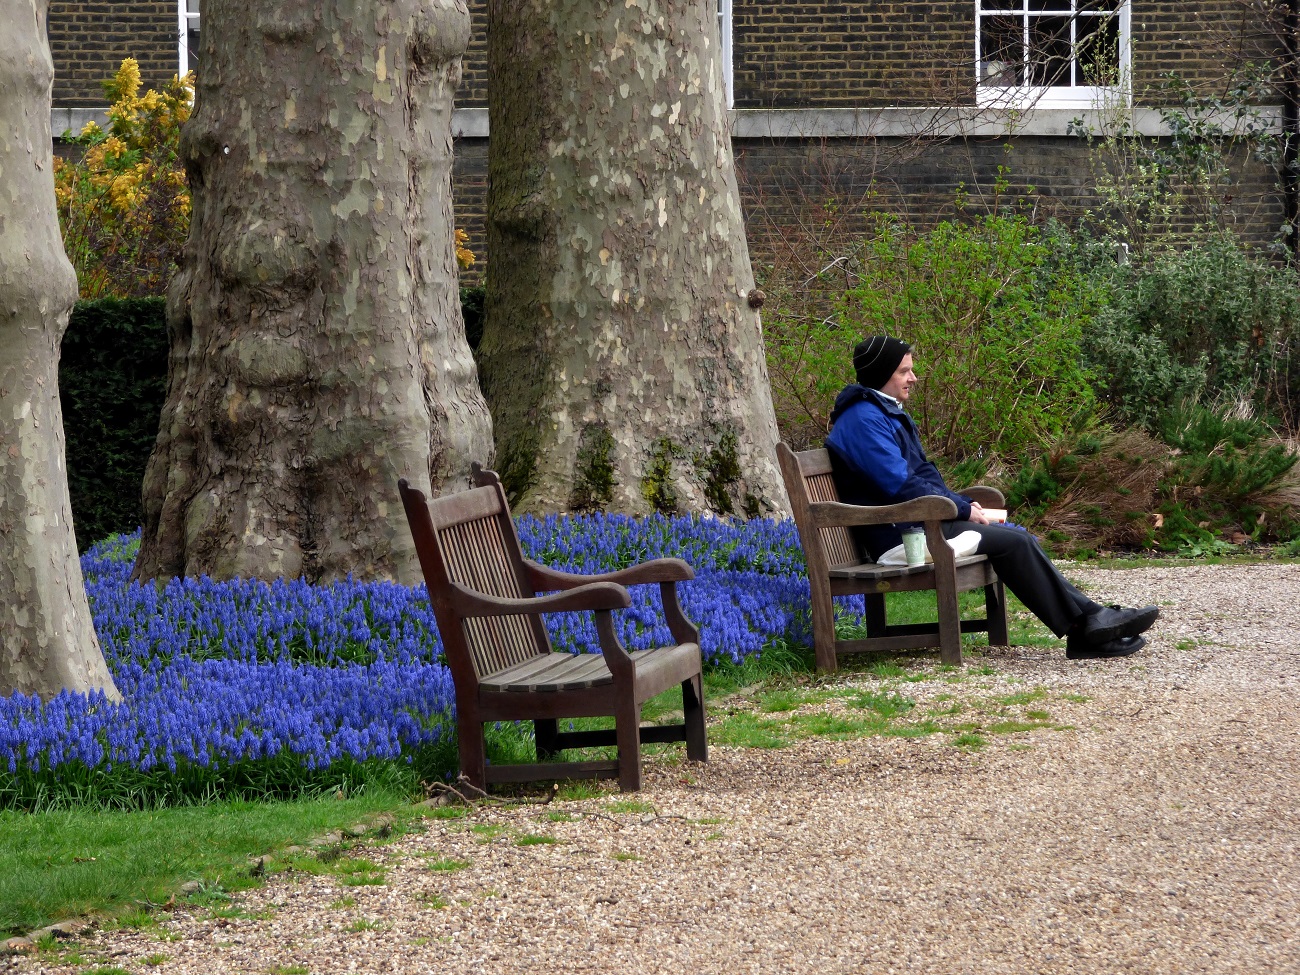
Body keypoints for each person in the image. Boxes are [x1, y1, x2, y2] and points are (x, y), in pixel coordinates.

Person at [825, 335, 1158, 660]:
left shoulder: (882, 412)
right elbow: (901, 486)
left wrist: (962, 504)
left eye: (911, 369)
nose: (913, 377)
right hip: (902, 535)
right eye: (904, 371)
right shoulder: (863, 421)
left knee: (1015, 536)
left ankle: (1089, 622)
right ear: (881, 373)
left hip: (916, 521)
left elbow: (923, 475)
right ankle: (1087, 625)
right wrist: (959, 510)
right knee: (1014, 542)